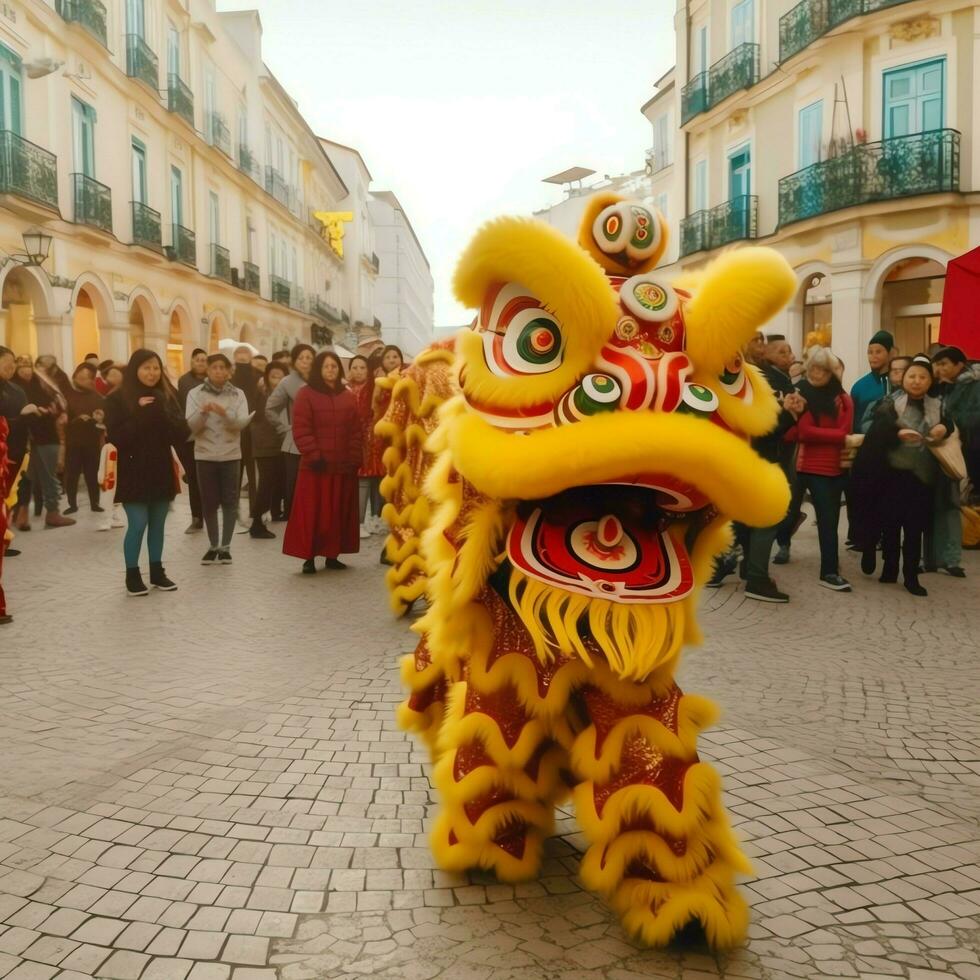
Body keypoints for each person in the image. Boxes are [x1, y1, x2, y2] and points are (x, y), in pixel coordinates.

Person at [104, 349, 186, 596]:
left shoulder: (166, 395)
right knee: (138, 524)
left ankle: (157, 572)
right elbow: (116, 437)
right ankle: (132, 574)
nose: (152, 373)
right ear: (134, 369)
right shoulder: (117, 398)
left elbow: (178, 433)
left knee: (158, 524)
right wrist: (139, 413)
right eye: (146, 367)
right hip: (132, 470)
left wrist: (173, 416)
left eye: (156, 367)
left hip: (160, 467)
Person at [738, 337, 806, 601]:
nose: (760, 346)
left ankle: (748, 568)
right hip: (758, 457)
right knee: (767, 516)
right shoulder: (752, 379)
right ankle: (756, 579)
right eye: (755, 340)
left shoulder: (749, 377)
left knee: (747, 516)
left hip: (748, 457)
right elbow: (763, 428)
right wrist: (788, 414)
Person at [283, 351, 362, 573]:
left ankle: (331, 554)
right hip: (315, 466)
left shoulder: (348, 397)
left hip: (341, 465)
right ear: (319, 369)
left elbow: (355, 430)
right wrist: (313, 454)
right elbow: (302, 428)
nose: (330, 370)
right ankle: (308, 557)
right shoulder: (305, 394)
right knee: (312, 512)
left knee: (336, 512)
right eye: (326, 366)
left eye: (334, 366)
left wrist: (355, 457)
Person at [787, 345, 854, 592]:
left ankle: (829, 572)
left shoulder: (843, 399)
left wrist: (829, 435)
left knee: (829, 523)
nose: (816, 373)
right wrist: (835, 436)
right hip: (806, 465)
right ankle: (783, 542)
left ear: (831, 372)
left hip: (834, 469)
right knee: (788, 514)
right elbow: (805, 432)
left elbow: (845, 431)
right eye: (812, 368)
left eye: (822, 369)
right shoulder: (801, 394)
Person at [186, 353, 251, 565]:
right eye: (214, 367)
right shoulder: (195, 393)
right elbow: (192, 426)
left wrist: (225, 414)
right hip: (204, 455)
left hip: (230, 455)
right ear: (207, 369)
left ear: (229, 370)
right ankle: (213, 545)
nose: (219, 371)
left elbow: (240, 424)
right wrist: (203, 413)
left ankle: (226, 547)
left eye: (223, 367)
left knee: (230, 501)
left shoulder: (238, 394)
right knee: (209, 502)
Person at [928, 345, 980, 576]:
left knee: (952, 505)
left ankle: (952, 558)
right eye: (936, 364)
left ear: (959, 364)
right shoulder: (939, 386)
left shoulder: (973, 384)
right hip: (943, 452)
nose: (939, 369)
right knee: (935, 506)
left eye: (944, 364)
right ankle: (932, 557)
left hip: (968, 451)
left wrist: (948, 421)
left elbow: (970, 418)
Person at [11, 357, 73, 529]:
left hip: (46, 435)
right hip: (20, 438)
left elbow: (60, 402)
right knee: (23, 477)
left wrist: (46, 410)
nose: (26, 370)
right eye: (21, 367)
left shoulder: (43, 384)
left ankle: (53, 512)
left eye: (28, 366)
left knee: (49, 476)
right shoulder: (11, 387)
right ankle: (21, 513)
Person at [264, 342, 314, 516]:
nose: (305, 361)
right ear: (294, 361)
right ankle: (292, 516)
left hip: (320, 441)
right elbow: (270, 408)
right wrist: (284, 428)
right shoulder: (287, 382)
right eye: (301, 358)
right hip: (295, 443)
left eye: (309, 357)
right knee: (293, 484)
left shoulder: (323, 379)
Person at [347, 354, 385, 538]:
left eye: (362, 368)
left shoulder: (374, 388)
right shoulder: (345, 389)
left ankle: (370, 520)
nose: (359, 371)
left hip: (371, 440)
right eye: (355, 367)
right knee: (357, 482)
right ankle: (356, 522)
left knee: (372, 480)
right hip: (350, 440)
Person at [250, 361, 288, 537]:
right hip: (265, 445)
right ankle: (257, 522)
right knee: (265, 484)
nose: (277, 380)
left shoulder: (286, 394)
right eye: (273, 376)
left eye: (281, 377)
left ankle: (269, 515)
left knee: (274, 483)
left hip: (281, 445)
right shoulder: (261, 393)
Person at [63, 363, 105, 515]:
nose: (83, 381)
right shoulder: (67, 395)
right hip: (73, 441)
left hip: (91, 442)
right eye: (80, 377)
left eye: (87, 378)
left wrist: (96, 419)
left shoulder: (98, 398)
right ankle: (72, 504)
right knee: (72, 474)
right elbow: (62, 419)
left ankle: (95, 503)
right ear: (74, 377)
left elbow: (103, 419)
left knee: (92, 473)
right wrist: (76, 419)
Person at [176, 349, 208, 533]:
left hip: (210, 436)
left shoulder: (213, 380)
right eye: (198, 360)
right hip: (189, 436)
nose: (201, 363)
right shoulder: (184, 381)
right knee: (194, 479)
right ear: (192, 361)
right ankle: (197, 518)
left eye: (204, 360)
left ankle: (209, 515)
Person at [232, 345, 261, 527]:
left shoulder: (258, 377)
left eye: (245, 358)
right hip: (237, 431)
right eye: (239, 358)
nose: (242, 361)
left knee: (252, 474)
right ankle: (235, 510)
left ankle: (254, 510)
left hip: (253, 430)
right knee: (237, 473)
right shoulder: (231, 377)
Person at [850, 330, 894, 431]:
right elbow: (853, 423)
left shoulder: (898, 383)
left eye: (878, 352)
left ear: (890, 353)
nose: (873, 356)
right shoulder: (858, 387)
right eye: (870, 352)